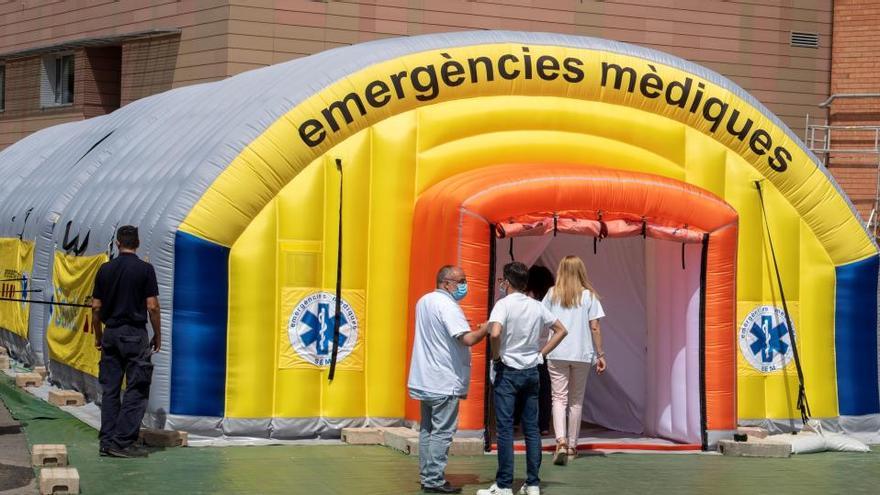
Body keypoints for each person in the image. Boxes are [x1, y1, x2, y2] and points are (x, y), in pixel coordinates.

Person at [478, 262, 567, 495]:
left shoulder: (503, 304)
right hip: (531, 369)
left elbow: (495, 332)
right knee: (532, 429)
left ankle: (504, 485)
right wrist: (541, 354)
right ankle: (533, 483)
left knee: (506, 429)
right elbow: (561, 330)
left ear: (507, 282)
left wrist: (496, 357)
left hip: (508, 369)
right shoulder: (536, 306)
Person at [408, 265, 489, 494]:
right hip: (443, 380)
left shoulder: (424, 301)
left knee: (427, 431)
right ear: (446, 283)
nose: (464, 285)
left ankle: (427, 475)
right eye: (460, 281)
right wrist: (486, 329)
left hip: (425, 378)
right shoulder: (448, 306)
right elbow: (467, 339)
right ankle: (434, 479)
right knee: (442, 433)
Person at [91, 225, 160, 458]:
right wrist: (157, 334)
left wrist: (99, 336)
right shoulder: (145, 269)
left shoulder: (105, 269)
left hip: (111, 333)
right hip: (135, 334)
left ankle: (107, 441)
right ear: (137, 244)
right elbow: (152, 306)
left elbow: (96, 307)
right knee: (136, 389)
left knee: (110, 390)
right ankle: (122, 442)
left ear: (118, 244)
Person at [542, 256, 606, 466]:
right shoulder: (589, 296)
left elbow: (543, 320)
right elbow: (595, 327)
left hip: (556, 351)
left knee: (558, 398)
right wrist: (600, 354)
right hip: (581, 353)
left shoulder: (552, 293)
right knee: (576, 401)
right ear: (581, 271)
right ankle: (572, 446)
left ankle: (560, 441)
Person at [525, 265, 555, 436]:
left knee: (524, 387)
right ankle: (543, 424)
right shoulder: (552, 298)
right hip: (548, 349)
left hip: (528, 348)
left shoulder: (527, 299)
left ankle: (518, 421)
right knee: (545, 388)